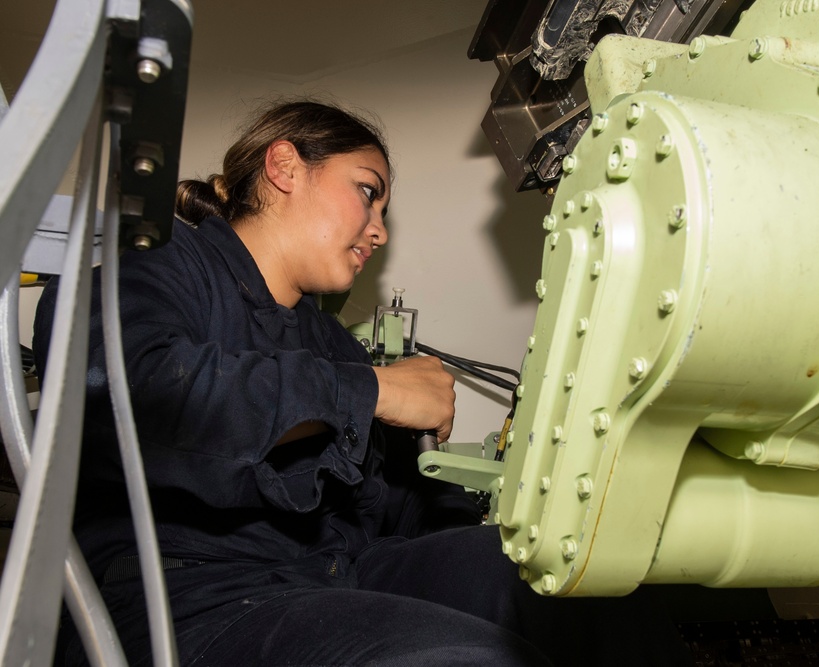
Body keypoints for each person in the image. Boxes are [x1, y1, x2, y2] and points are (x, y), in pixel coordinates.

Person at [34, 99, 695, 666]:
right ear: (285, 166)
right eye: (367, 191)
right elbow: (136, 393)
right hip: (189, 593)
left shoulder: (329, 340)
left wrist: (521, 505)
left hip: (339, 571)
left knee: (578, 592)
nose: (377, 230)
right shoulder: (155, 264)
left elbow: (394, 509)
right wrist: (374, 391)